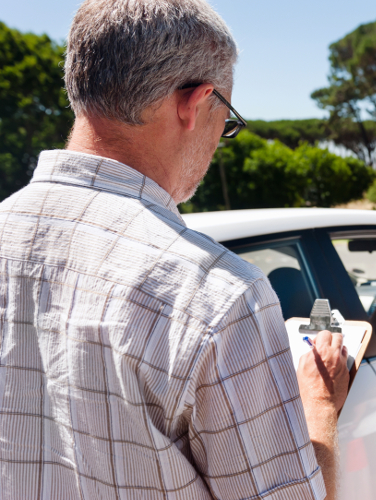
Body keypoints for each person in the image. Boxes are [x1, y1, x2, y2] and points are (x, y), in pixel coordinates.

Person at [0, 1, 348, 499]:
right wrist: (318, 402)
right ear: (195, 102)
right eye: (225, 118)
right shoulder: (218, 295)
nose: (218, 138)